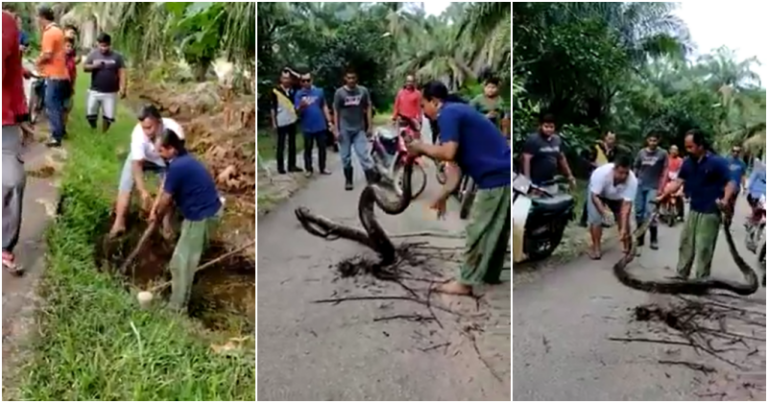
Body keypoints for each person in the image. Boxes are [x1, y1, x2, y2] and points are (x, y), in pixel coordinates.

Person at [405, 81, 510, 296]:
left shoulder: (448, 114)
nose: (424, 113)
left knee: (477, 229)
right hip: (504, 174)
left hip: (495, 178)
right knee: (497, 230)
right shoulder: (459, 112)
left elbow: (448, 153)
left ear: (435, 101)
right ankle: (490, 275)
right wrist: (444, 195)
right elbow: (455, 169)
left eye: (424, 106)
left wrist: (419, 147)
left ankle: (465, 283)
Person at [150, 128, 222, 311]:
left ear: (172, 149)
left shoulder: (178, 167)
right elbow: (170, 195)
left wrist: (157, 217)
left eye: (161, 150)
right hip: (208, 212)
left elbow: (166, 199)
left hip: (200, 217)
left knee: (180, 264)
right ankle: (181, 290)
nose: (158, 154)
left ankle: (176, 308)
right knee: (186, 259)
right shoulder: (183, 161)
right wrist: (164, 220)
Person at [656, 130, 737, 280]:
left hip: (711, 211)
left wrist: (725, 200)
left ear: (700, 146)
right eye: (686, 147)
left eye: (690, 146)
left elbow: (730, 182)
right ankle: (681, 274)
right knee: (686, 243)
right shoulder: (687, 163)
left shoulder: (717, 162)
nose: (688, 150)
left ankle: (701, 279)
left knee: (704, 247)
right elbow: (678, 182)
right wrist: (663, 196)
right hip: (694, 209)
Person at [109, 105, 185, 238]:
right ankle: (119, 221)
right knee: (125, 184)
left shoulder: (175, 132)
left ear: (159, 122)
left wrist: (155, 206)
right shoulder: (138, 134)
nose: (147, 132)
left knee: (171, 191)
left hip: (166, 162)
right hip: (145, 159)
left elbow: (173, 171)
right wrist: (143, 191)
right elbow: (137, 165)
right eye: (144, 127)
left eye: (150, 127)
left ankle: (166, 223)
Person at [3, 7, 31, 274]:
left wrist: (22, 114)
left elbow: (10, 74)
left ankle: (4, 245)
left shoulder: (6, 23)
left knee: (13, 181)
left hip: (4, 120)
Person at [585, 155, 637, 259]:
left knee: (624, 222)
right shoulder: (601, 174)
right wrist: (604, 212)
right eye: (620, 172)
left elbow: (626, 206)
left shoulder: (632, 180)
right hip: (598, 194)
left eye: (626, 173)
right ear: (614, 169)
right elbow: (594, 196)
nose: (623, 176)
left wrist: (622, 228)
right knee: (596, 220)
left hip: (617, 197)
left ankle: (627, 248)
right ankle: (596, 248)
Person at [333, 68, 377, 190]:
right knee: (345, 157)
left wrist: (370, 126)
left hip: (359, 128)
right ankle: (348, 180)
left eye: (353, 78)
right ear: (345, 79)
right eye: (349, 78)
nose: (351, 80)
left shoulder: (363, 91)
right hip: (345, 129)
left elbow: (368, 106)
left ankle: (370, 180)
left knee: (363, 154)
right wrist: (336, 130)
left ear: (356, 78)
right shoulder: (339, 93)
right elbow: (336, 111)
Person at [35, 5, 70, 147]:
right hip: (61, 73)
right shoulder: (58, 30)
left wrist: (38, 61)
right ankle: (60, 131)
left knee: (51, 105)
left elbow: (47, 54)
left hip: (53, 75)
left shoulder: (49, 32)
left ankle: (56, 136)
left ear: (42, 18)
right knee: (58, 104)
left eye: (38, 17)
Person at [521, 113, 576, 193]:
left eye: (551, 127)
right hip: (535, 180)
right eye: (546, 126)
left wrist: (570, 176)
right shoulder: (533, 140)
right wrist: (527, 181)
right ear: (540, 126)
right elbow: (526, 159)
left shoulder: (557, 140)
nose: (549, 129)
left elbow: (561, 158)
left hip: (550, 179)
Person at [633, 132, 668, 252]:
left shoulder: (662, 153)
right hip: (640, 185)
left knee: (651, 212)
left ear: (658, 141)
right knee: (639, 212)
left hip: (653, 186)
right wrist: (635, 179)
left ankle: (654, 239)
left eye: (655, 140)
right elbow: (636, 167)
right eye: (650, 140)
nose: (652, 143)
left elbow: (665, 170)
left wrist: (662, 186)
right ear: (647, 140)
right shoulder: (641, 153)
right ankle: (640, 238)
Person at [83, 33, 125, 133]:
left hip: (110, 92)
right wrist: (94, 66)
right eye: (101, 45)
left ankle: (104, 133)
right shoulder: (93, 54)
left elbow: (122, 72)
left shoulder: (117, 57)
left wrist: (123, 87)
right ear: (98, 44)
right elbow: (85, 67)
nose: (103, 48)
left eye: (106, 46)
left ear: (110, 44)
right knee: (90, 114)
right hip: (95, 90)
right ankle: (93, 127)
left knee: (108, 116)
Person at [294, 71, 333, 176]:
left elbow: (324, 106)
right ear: (301, 83)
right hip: (307, 126)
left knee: (322, 148)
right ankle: (309, 169)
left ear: (312, 80)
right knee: (308, 148)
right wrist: (301, 106)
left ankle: (323, 168)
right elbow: (296, 112)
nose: (306, 82)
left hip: (320, 124)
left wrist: (329, 121)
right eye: (303, 81)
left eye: (308, 80)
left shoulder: (319, 91)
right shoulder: (298, 94)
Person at [578, 131, 617, 227]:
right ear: (605, 138)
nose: (611, 141)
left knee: (603, 197)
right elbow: (584, 159)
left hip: (607, 177)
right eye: (609, 138)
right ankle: (584, 219)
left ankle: (602, 218)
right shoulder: (596, 148)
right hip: (595, 175)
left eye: (613, 139)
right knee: (592, 196)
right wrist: (593, 165)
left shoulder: (614, 151)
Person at [270, 70, 300, 174]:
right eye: (284, 78)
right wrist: (274, 122)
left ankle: (292, 165)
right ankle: (280, 167)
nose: (286, 80)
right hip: (281, 120)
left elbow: (301, 78)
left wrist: (292, 71)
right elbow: (273, 107)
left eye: (288, 78)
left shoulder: (293, 90)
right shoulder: (276, 91)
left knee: (292, 144)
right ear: (281, 79)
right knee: (281, 144)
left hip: (292, 119)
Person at [391, 74, 422, 138]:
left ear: (413, 83)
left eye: (411, 81)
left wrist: (419, 120)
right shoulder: (400, 93)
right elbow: (396, 106)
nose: (409, 83)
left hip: (412, 121)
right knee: (401, 140)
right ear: (405, 82)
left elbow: (419, 108)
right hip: (402, 120)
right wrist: (394, 118)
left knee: (413, 141)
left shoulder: (417, 94)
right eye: (408, 81)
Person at [662, 145, 685, 221]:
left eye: (676, 150)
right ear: (669, 150)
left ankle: (680, 214)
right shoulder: (667, 159)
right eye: (672, 149)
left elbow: (681, 170)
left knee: (679, 197)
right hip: (667, 180)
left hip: (676, 180)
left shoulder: (680, 160)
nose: (674, 151)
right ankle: (660, 212)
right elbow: (664, 168)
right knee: (662, 194)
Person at [63, 37, 77, 127]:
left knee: (67, 108)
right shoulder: (58, 58)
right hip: (58, 86)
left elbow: (74, 75)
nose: (69, 48)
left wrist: (72, 86)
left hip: (68, 87)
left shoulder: (71, 60)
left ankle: (63, 127)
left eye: (70, 46)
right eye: (67, 46)